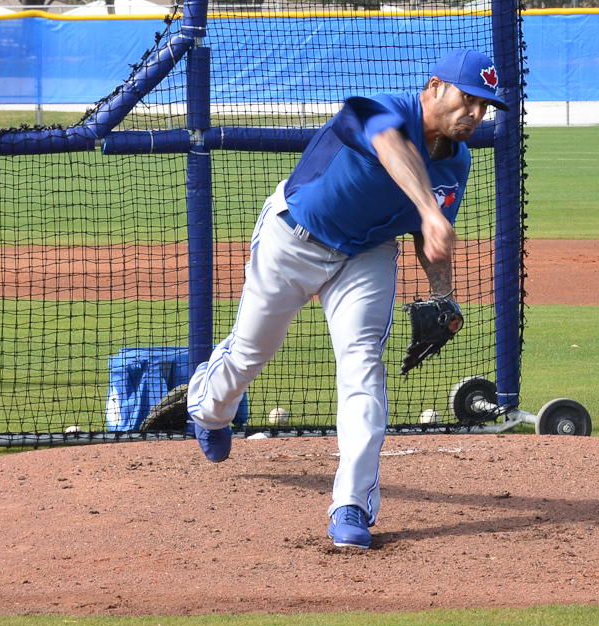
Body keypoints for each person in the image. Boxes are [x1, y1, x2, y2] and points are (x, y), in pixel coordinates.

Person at [170, 49, 503, 549]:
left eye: (485, 106)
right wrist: (428, 212)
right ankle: (208, 408)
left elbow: (430, 234)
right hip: (293, 239)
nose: (476, 114)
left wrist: (443, 296)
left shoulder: (458, 161)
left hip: (366, 257)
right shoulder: (378, 108)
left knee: (363, 366)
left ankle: (351, 505)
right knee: (249, 353)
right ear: (434, 86)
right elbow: (390, 148)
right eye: (468, 99)